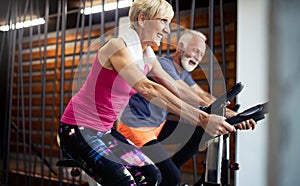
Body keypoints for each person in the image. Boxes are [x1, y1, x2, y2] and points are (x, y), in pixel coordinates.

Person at [57, 0, 237, 185]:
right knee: (123, 181)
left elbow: (176, 86)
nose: (167, 30)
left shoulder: (147, 54)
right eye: (163, 21)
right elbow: (147, 87)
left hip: (106, 130)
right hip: (77, 128)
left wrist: (218, 110)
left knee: (152, 175)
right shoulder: (118, 47)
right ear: (142, 19)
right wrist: (203, 119)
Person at [117, 30, 256, 185]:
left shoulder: (183, 73)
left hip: (157, 126)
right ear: (180, 47)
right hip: (136, 127)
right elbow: (183, 92)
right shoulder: (165, 65)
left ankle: (172, 166)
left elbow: (202, 95)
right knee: (172, 177)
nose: (197, 57)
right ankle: (170, 172)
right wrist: (228, 114)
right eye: (195, 50)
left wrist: (232, 114)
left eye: (201, 54)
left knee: (200, 131)